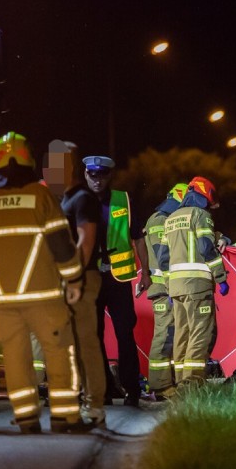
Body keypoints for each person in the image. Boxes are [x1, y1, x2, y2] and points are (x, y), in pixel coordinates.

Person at [0, 132, 91, 434]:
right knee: (59, 350)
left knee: (16, 357)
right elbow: (62, 245)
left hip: (6, 301)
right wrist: (74, 278)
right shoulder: (42, 196)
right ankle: (65, 418)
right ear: (29, 160)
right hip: (45, 296)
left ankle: (26, 418)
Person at [43, 140, 107, 426]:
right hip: (67, 278)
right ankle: (81, 401)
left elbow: (86, 242)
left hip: (82, 278)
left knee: (85, 343)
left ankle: (94, 406)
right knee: (70, 344)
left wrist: (73, 277)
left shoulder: (83, 199)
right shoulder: (65, 199)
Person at [83, 155, 151, 407]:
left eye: (101, 175)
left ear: (109, 176)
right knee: (94, 334)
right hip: (90, 278)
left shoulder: (124, 200)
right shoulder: (77, 201)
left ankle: (131, 389)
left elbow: (138, 239)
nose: (96, 180)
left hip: (118, 277)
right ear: (85, 175)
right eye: (92, 175)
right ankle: (104, 390)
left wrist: (146, 272)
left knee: (125, 334)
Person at [159, 176, 228, 388]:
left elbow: (163, 260)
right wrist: (221, 277)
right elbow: (206, 248)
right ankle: (192, 386)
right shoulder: (201, 215)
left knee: (182, 335)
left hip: (177, 290)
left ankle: (181, 382)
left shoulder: (170, 220)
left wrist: (170, 288)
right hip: (198, 287)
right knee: (200, 334)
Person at [142, 182, 188, 400]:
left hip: (170, 288)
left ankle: (167, 383)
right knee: (164, 336)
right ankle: (159, 387)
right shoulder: (159, 221)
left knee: (172, 336)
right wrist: (172, 289)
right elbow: (164, 257)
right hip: (164, 289)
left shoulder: (166, 220)